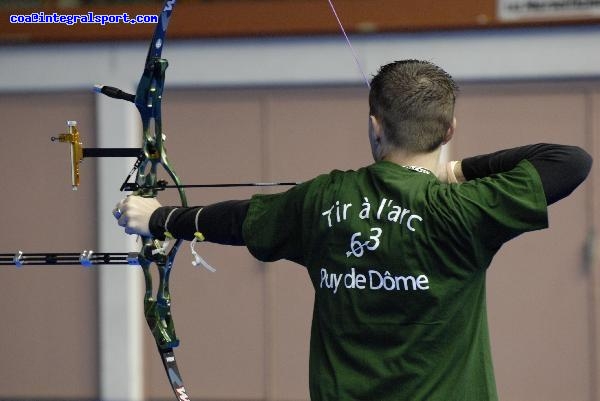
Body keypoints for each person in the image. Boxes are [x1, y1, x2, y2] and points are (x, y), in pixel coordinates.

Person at [114, 60, 592, 401]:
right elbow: (570, 161)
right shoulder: (462, 212)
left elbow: (239, 220)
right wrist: (459, 171)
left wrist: (160, 218)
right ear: (449, 131)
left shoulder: (324, 200)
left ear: (374, 126)